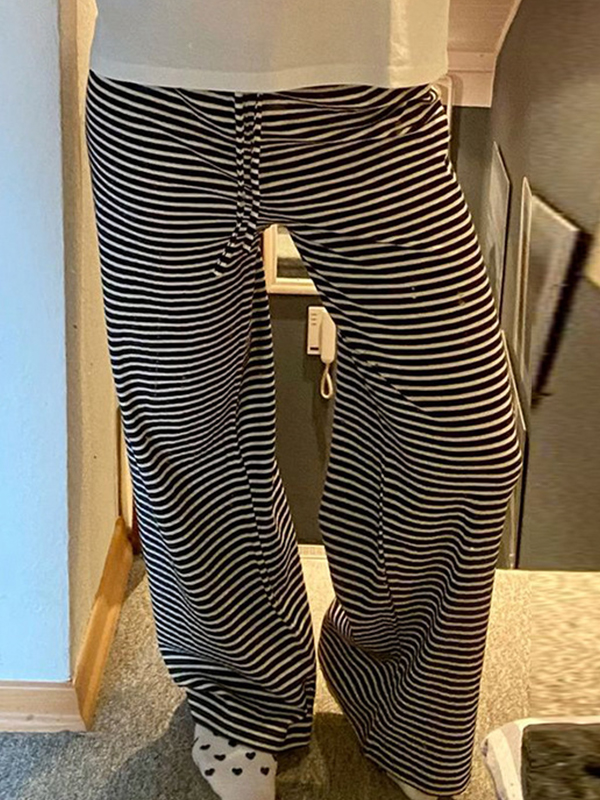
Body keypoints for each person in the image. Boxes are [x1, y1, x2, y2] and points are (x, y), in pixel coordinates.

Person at [84, 3, 524, 799]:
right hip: (159, 89)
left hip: (372, 94)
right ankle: (243, 688)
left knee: (464, 433)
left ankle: (402, 695)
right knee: (183, 421)